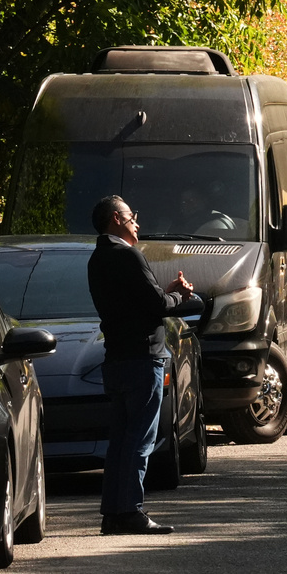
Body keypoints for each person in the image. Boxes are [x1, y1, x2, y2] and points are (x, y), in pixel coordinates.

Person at [88, 195, 193, 535]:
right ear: (115, 220)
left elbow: (135, 304)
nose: (137, 222)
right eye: (131, 216)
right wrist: (181, 296)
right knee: (141, 440)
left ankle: (113, 512)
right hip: (143, 359)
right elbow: (157, 305)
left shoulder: (98, 258)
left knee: (119, 440)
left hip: (116, 358)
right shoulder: (129, 255)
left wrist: (166, 292)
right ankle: (130, 510)